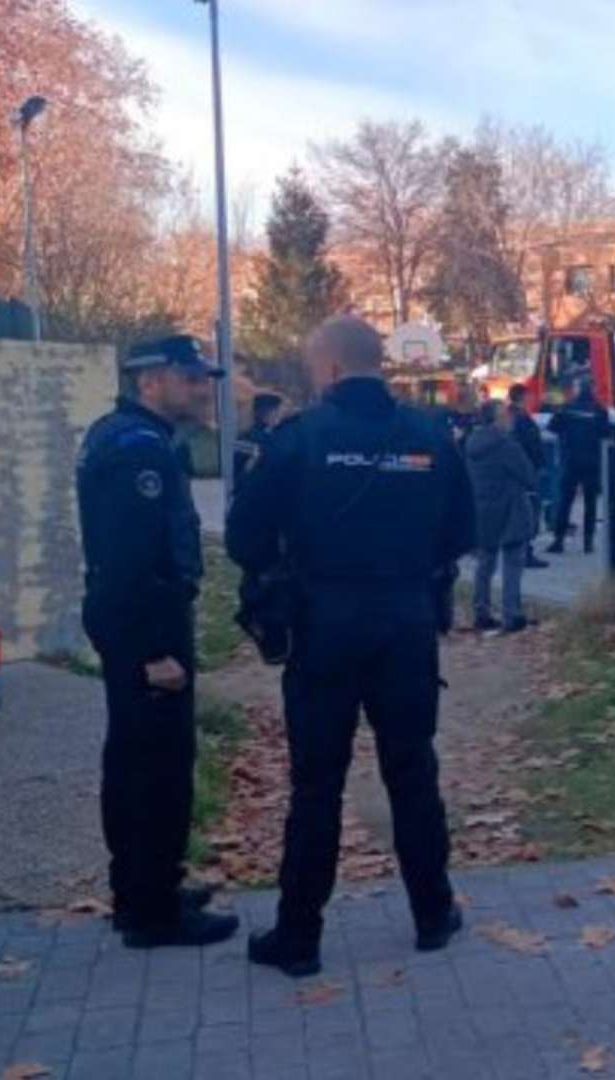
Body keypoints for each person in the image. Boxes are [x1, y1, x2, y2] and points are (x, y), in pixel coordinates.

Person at [227, 315, 476, 978]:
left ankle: (299, 937)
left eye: (313, 364)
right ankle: (433, 915)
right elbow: (461, 532)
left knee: (317, 786)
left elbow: (242, 537)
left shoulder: (298, 439)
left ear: (331, 368)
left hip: (324, 626)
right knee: (412, 770)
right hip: (406, 622)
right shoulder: (430, 435)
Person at [76, 334, 240, 950]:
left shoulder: (123, 435)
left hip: (137, 620)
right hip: (147, 627)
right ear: (150, 381)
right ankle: (152, 911)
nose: (203, 389)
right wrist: (152, 651)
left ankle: (145, 889)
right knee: (156, 769)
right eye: (190, 377)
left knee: (138, 761)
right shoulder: (137, 452)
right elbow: (128, 560)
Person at [465, 400, 537, 633]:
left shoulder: (471, 443)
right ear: (496, 419)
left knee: (485, 563)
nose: (510, 418)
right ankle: (511, 615)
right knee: (513, 562)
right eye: (505, 414)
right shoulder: (506, 445)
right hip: (510, 509)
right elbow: (528, 476)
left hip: (483, 508)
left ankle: (481, 612)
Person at [546, 383, 615, 555]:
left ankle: (559, 540)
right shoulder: (600, 411)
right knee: (590, 503)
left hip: (570, 461)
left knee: (565, 501)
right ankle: (588, 542)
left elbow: (552, 427)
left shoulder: (567, 409)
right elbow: (606, 433)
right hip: (592, 462)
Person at [506, 384, 551, 567]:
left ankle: (521, 550)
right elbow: (529, 444)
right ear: (521, 397)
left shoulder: (512, 416)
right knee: (529, 511)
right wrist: (537, 466)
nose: (532, 398)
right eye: (529, 395)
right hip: (527, 470)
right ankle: (525, 552)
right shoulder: (521, 419)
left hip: (522, 470)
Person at [232, 392, 283, 495]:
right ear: (270, 412)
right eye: (277, 411)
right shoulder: (265, 439)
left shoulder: (245, 436)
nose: (279, 415)